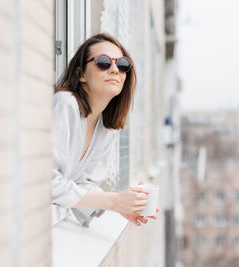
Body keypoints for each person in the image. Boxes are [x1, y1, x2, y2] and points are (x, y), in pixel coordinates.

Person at [52, 33, 159, 227]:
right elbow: (45, 182)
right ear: (81, 74)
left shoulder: (106, 127)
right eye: (103, 62)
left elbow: (84, 185)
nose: (114, 70)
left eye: (122, 64)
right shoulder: (65, 104)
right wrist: (114, 201)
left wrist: (120, 206)